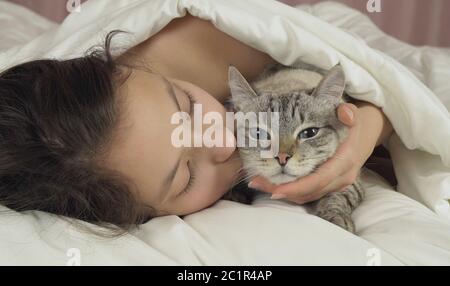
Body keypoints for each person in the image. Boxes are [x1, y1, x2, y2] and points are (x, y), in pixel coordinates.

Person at [0, 14, 393, 234]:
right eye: (186, 175)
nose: (223, 141)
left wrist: (369, 124)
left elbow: (390, 89)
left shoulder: (212, 39)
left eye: (188, 107)